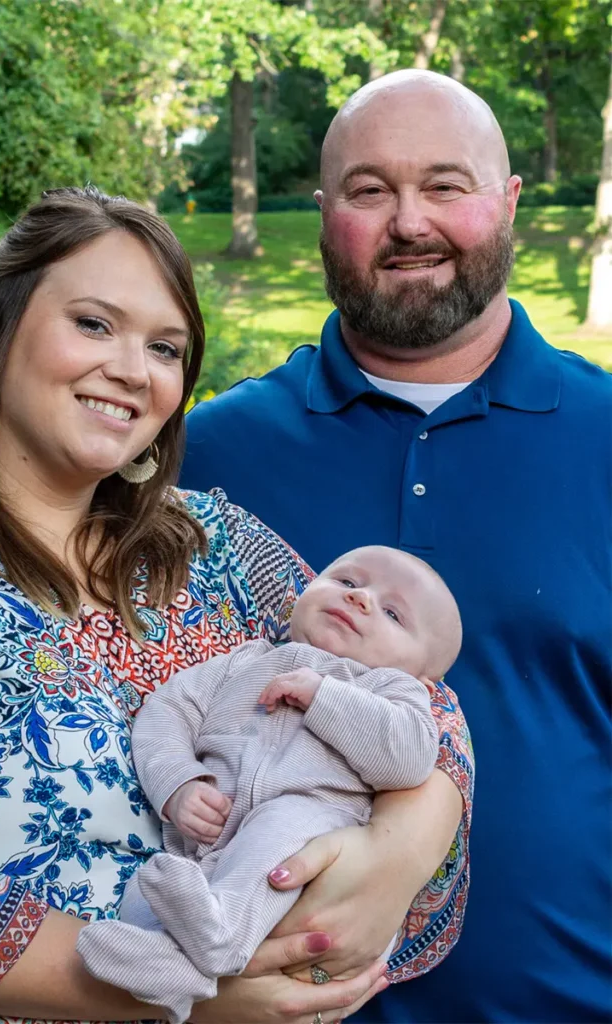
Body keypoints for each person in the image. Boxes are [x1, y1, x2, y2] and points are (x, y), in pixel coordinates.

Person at [0, 185, 473, 1024]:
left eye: (165, 347)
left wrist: (400, 846)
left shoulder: (218, 545)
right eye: (93, 323)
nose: (130, 369)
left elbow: (417, 691)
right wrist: (174, 998)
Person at [180, 69, 612, 1023]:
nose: (408, 220)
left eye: (445, 186)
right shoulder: (205, 455)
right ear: (325, 212)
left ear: (505, 202)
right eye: (369, 191)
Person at [78, 546, 461, 1023]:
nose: (361, 598)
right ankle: (177, 974)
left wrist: (324, 696)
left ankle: (221, 942)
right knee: (149, 886)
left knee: (281, 824)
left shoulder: (393, 691)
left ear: (427, 679)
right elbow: (167, 713)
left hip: (310, 850)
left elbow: (407, 758)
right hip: (208, 854)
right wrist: (178, 784)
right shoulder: (245, 662)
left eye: (392, 612)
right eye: (346, 582)